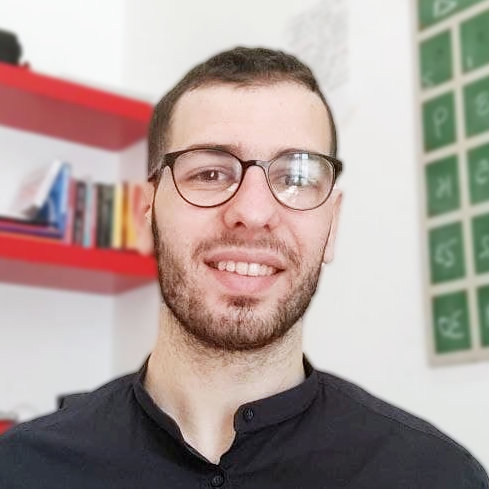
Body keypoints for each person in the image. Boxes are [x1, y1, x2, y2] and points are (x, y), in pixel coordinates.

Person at [0, 46, 487, 488]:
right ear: (147, 213)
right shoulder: (22, 469)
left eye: (296, 176)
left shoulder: (438, 477)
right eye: (211, 172)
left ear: (332, 223)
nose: (253, 212)